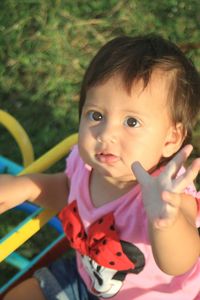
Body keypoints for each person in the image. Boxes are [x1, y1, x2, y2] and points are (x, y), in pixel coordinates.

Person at [2, 34, 200, 300]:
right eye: (96, 115)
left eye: (131, 122)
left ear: (170, 139)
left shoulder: (168, 193)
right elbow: (67, 190)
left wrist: (166, 222)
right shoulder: (85, 164)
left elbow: (179, 262)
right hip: (85, 279)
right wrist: (26, 186)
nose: (106, 134)